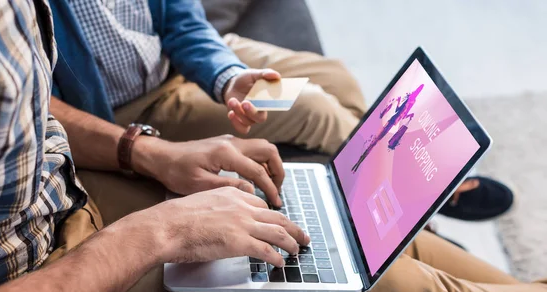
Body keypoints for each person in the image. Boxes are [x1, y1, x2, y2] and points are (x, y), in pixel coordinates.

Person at [0, 2, 546, 292]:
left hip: (69, 195)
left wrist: (145, 152)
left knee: (348, 219)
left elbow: (30, 106)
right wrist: (153, 234)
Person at [49, 0, 514, 222]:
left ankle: (381, 189)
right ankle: (416, 204)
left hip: (183, 62)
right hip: (129, 107)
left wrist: (227, 76)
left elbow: (180, 19)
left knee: (335, 76)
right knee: (316, 108)